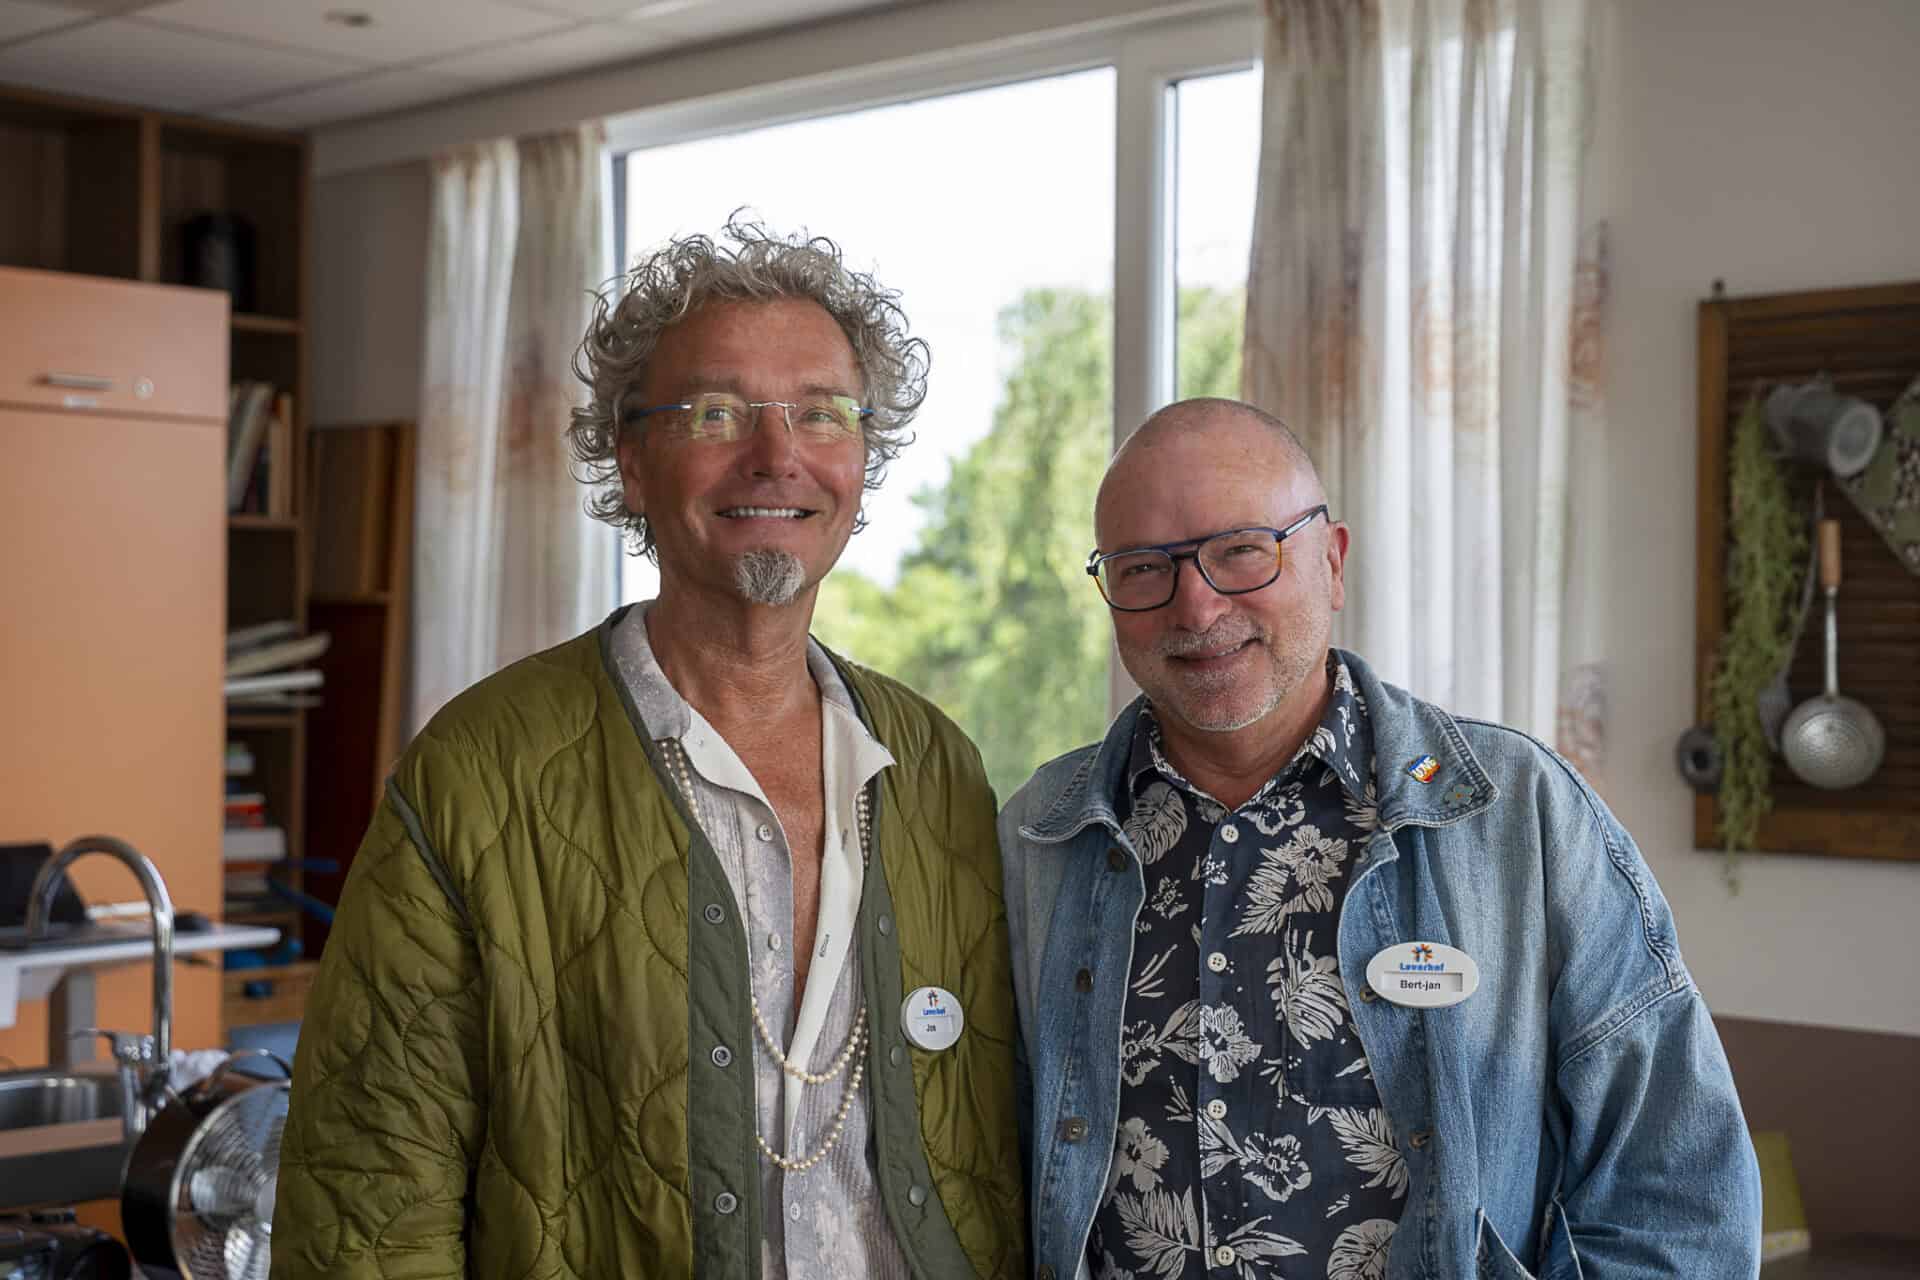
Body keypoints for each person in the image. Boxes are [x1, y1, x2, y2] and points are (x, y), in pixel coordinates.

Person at [274, 222, 1026, 1280]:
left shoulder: (936, 763)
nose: (778, 455)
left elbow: (997, 1141)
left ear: (862, 460)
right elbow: (369, 1194)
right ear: (629, 460)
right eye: (718, 412)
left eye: (821, 411)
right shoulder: (481, 772)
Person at [998, 397, 1760, 1279]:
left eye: (1241, 550)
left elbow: (1680, 1195)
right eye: (1141, 568)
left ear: (1332, 561)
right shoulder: (1036, 840)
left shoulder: (1520, 818)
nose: (1196, 606)